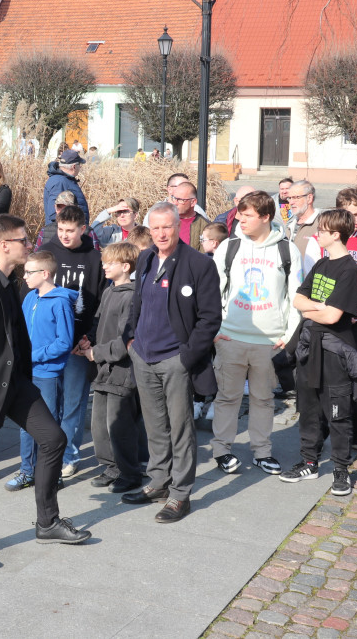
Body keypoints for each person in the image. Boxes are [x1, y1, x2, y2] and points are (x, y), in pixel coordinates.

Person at [0, 214, 91, 568]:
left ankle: (47, 522)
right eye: (24, 240)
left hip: (16, 384)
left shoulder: (11, 282)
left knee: (53, 439)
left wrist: (23, 376)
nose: (30, 245)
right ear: (4, 245)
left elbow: (16, 337)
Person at [121, 202, 221, 523]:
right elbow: (137, 302)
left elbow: (210, 319)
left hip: (175, 359)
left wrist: (186, 357)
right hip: (144, 355)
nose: (161, 233)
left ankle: (180, 494)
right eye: (155, 228)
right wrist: (131, 340)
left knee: (180, 428)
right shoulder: (147, 257)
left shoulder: (199, 265)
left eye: (167, 227)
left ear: (179, 226)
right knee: (154, 425)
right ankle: (159, 481)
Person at [211, 191, 302, 476]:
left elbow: (296, 294)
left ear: (266, 217)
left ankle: (262, 452)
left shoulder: (287, 250)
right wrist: (214, 330)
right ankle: (221, 451)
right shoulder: (229, 247)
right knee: (227, 399)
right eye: (240, 213)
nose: (240, 219)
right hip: (230, 338)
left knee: (263, 400)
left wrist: (288, 335)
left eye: (248, 215)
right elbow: (211, 291)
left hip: (269, 342)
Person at [281, 209, 357, 497]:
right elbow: (297, 299)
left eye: (322, 229)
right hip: (309, 348)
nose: (317, 233)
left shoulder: (349, 270)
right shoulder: (320, 264)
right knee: (308, 409)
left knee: (337, 413)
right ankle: (309, 461)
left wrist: (313, 308)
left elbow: (333, 318)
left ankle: (341, 469)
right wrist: (320, 307)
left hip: (335, 352)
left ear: (335, 234)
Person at [304, 188, 357, 456]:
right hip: (326, 325)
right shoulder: (320, 241)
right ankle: (322, 432)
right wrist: (332, 304)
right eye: (353, 213)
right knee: (325, 383)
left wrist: (345, 299)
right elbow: (311, 281)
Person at [39, 204, 105, 476]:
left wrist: (90, 336)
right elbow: (31, 293)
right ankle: (49, 450)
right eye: (61, 230)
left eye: (70, 231)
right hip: (50, 341)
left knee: (74, 402)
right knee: (47, 403)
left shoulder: (94, 258)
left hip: (79, 344)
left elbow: (102, 302)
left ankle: (70, 455)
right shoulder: (47, 253)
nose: (64, 236)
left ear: (83, 230)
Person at [5, 251, 76, 492]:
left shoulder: (61, 301)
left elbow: (64, 342)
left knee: (49, 427)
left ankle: (52, 474)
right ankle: (27, 471)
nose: (24, 276)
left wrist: (33, 356)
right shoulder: (29, 298)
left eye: (29, 272)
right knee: (27, 423)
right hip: (27, 372)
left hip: (48, 374)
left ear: (45, 274)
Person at [79, 242, 146, 493]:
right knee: (100, 425)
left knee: (120, 426)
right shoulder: (109, 291)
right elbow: (98, 323)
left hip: (121, 371)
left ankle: (130, 473)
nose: (104, 265)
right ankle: (111, 466)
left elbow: (125, 341)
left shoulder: (131, 296)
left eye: (110, 262)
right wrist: (88, 340)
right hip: (103, 370)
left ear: (126, 266)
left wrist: (96, 352)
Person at [43, 149, 89, 225]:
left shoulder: (65, 180)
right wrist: (70, 229)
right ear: (74, 166)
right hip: (63, 233)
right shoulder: (59, 182)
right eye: (79, 164)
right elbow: (54, 214)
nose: (80, 167)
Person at [170, 181, 210, 252]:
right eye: (174, 198)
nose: (175, 203)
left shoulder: (205, 227)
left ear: (193, 202)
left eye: (180, 200)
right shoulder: (166, 220)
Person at [286, 180, 321, 257]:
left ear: (309, 198)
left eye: (296, 197)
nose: (291, 202)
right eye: (290, 198)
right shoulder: (290, 224)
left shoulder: (322, 224)